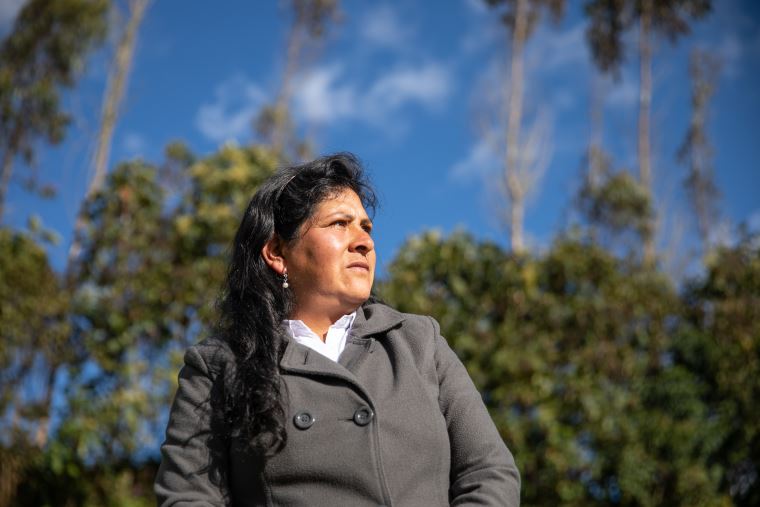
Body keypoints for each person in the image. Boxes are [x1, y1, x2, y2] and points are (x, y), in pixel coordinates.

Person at [155, 153, 520, 506]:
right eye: (339, 224)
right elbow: (188, 497)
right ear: (278, 252)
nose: (364, 241)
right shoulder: (219, 365)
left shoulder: (419, 342)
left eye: (366, 227)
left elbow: (489, 474)